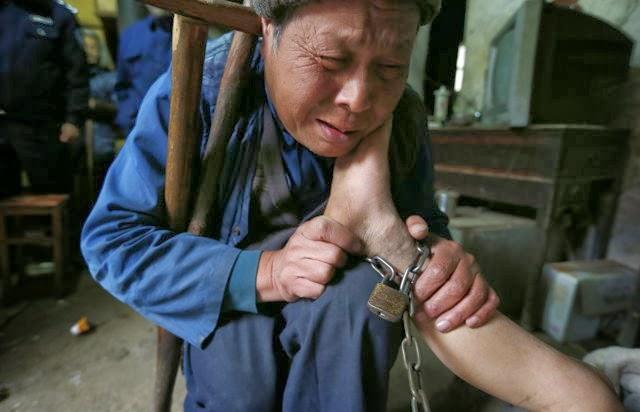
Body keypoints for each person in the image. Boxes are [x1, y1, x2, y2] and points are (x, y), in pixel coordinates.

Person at [80, 0, 620, 410]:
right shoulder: (198, 92)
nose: (358, 100)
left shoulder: (400, 115)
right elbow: (112, 242)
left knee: (361, 296)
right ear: (268, 28)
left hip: (337, 317)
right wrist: (264, 272)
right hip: (231, 302)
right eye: (329, 59)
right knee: (237, 379)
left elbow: (421, 220)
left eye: (389, 67)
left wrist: (436, 253)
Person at [0, 0, 89, 197]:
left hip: (42, 126)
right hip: (2, 124)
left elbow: (77, 73)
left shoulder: (60, 15)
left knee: (51, 194)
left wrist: (73, 120)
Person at [114, 6, 172, 136]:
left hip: (178, 133)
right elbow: (122, 85)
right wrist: (127, 118)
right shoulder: (130, 35)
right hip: (136, 129)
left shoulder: (198, 36)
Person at [82, 29, 118, 190]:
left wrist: (96, 106)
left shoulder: (110, 78)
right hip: (75, 147)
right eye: (85, 47)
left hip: (102, 145)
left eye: (93, 47)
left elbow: (120, 109)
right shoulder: (72, 78)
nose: (89, 52)